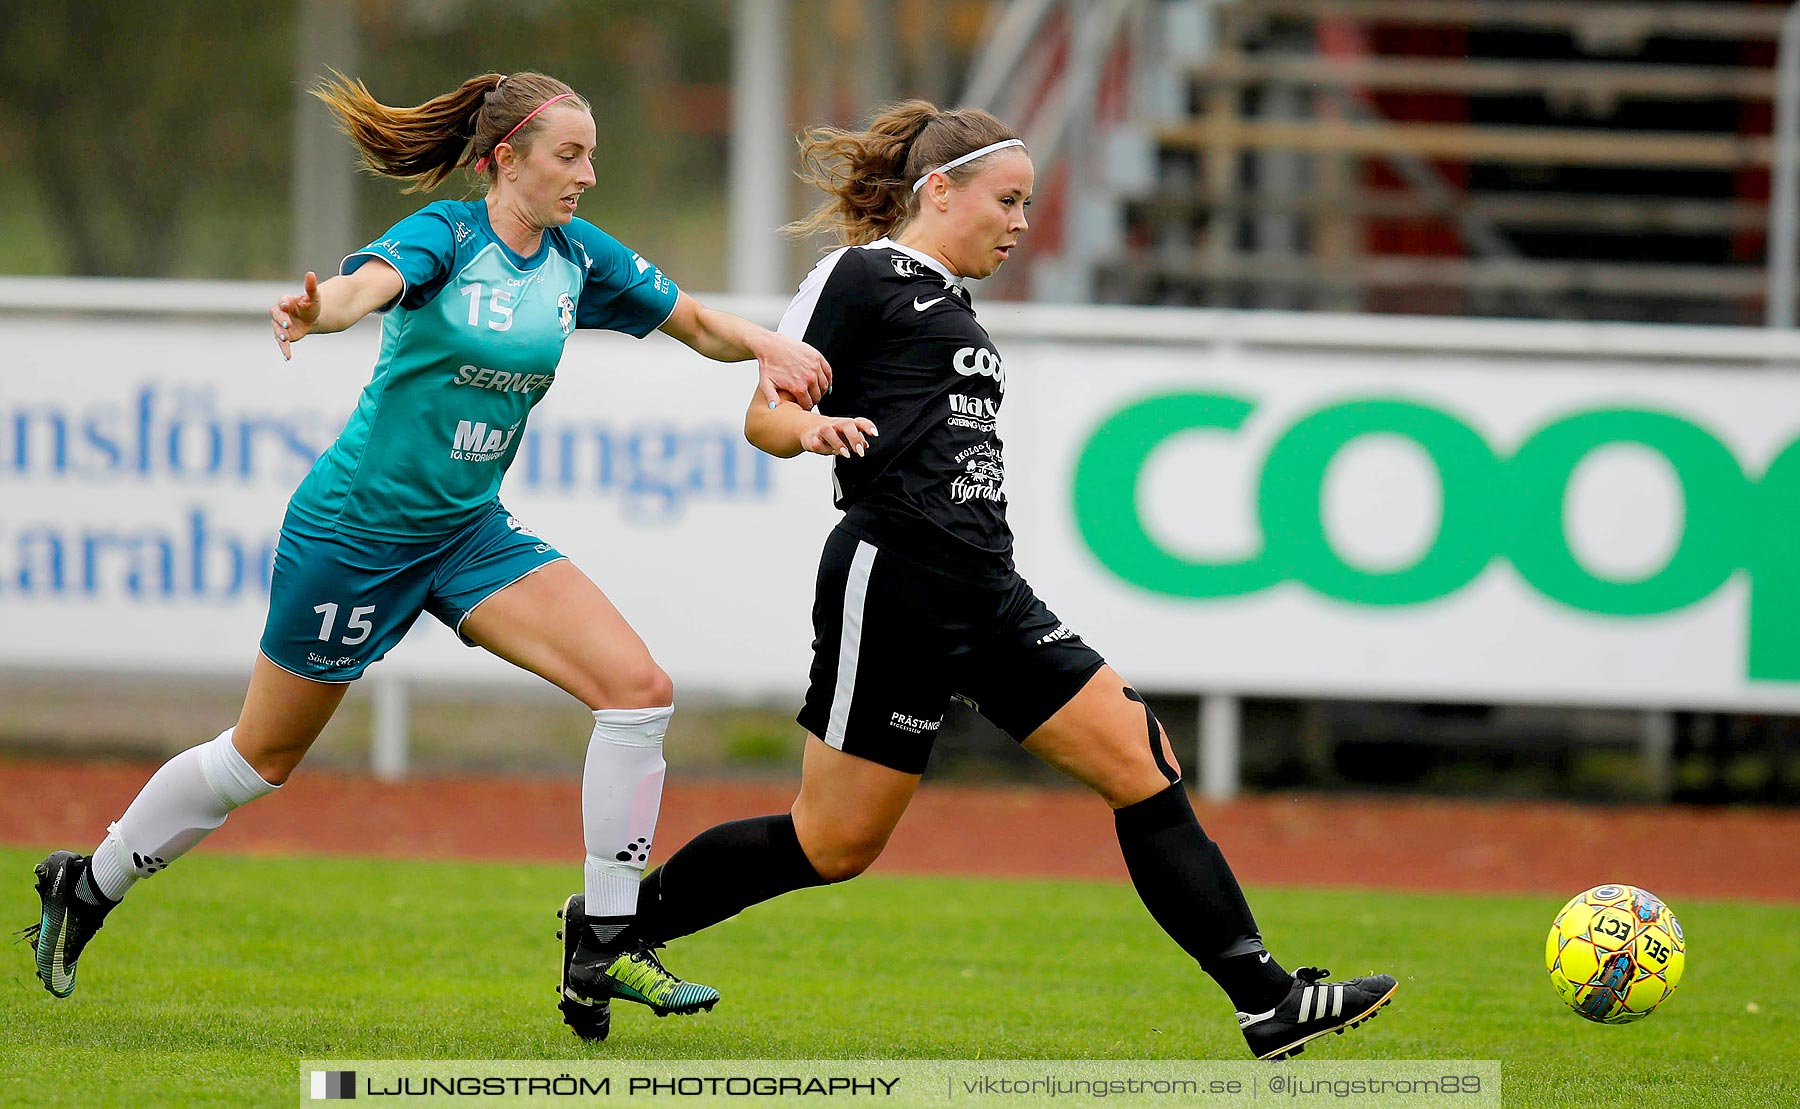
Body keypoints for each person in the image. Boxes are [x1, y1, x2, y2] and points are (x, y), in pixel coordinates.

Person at [578, 100, 1398, 1061]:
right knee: (831, 844)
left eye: (1026, 205)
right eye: (1007, 201)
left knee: (1143, 764)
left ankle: (1264, 998)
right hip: (894, 581)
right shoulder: (862, 275)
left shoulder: (955, 305)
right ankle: (610, 931)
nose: (1018, 223)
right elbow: (763, 415)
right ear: (940, 189)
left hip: (986, 587)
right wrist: (811, 429)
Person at [22, 71, 831, 1045]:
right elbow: (370, 285)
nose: (588, 173)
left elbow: (694, 322)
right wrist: (322, 311)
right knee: (259, 758)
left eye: (592, 154)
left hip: (467, 534)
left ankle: (604, 937)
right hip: (354, 535)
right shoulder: (447, 238)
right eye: (568, 155)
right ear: (504, 161)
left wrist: (762, 347)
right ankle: (89, 879)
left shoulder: (579, 259)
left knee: (638, 687)